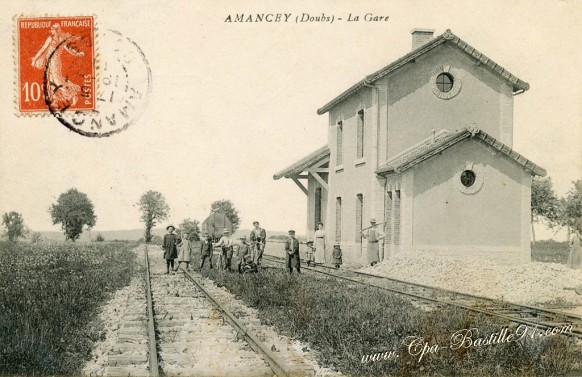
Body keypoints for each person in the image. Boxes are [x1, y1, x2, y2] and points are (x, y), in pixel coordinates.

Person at [31, 23, 85, 109]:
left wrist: (78, 54)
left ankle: (72, 95)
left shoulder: (60, 38)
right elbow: (42, 50)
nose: (51, 31)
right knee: (51, 80)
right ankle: (55, 100)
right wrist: (34, 60)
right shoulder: (51, 38)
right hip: (49, 62)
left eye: (53, 29)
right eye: (51, 29)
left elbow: (68, 49)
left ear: (57, 30)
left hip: (55, 62)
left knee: (58, 80)